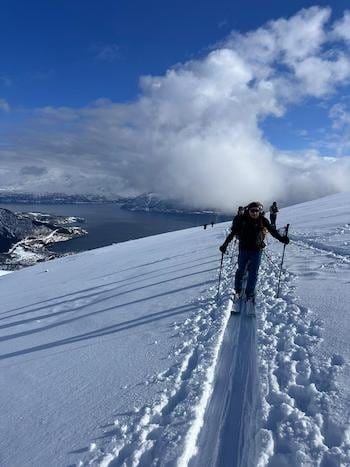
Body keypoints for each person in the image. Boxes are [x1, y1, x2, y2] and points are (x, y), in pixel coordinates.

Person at [219, 201, 289, 304]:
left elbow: (272, 231)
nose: (254, 213)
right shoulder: (242, 220)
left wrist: (282, 239)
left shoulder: (263, 220)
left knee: (253, 273)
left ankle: (250, 293)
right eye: (252, 210)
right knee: (241, 270)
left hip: (256, 250)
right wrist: (225, 244)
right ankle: (237, 290)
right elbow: (233, 233)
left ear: (260, 211)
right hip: (243, 249)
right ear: (249, 210)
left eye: (257, 211)